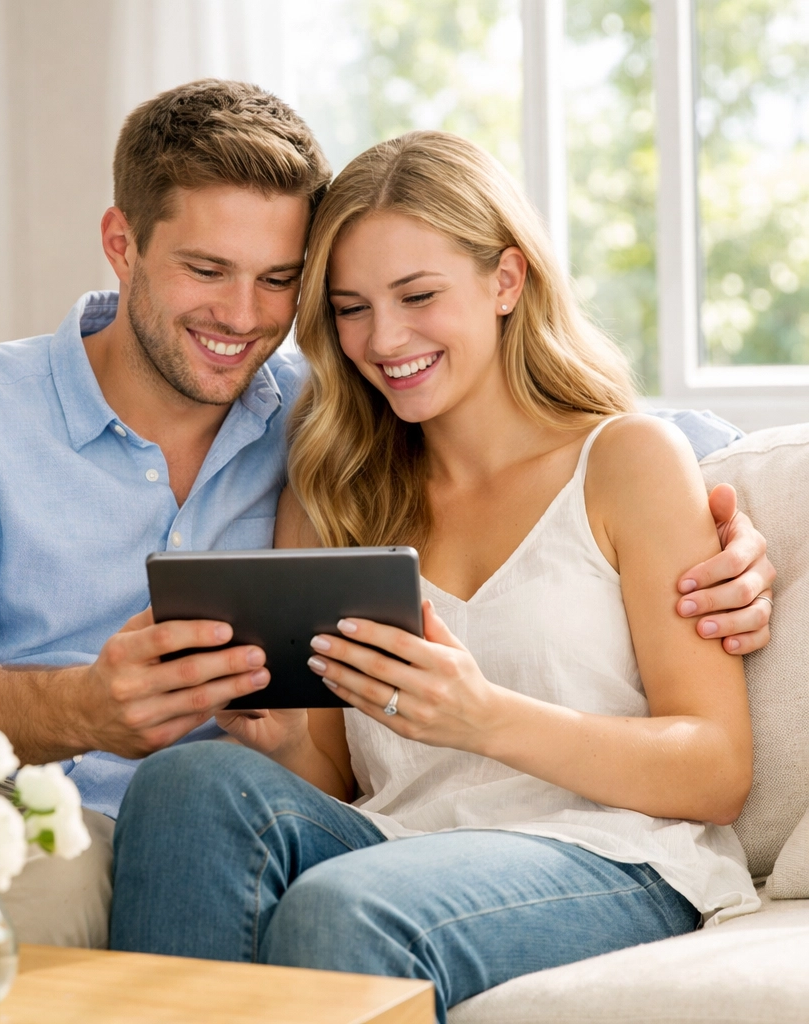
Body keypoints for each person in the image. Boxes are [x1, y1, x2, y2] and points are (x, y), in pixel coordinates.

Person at [0, 83, 772, 948]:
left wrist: (737, 518)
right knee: (192, 784)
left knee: (292, 886)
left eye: (278, 283)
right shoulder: (331, 458)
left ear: (505, 278)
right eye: (207, 271)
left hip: (573, 844)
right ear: (120, 246)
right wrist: (200, 724)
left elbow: (607, 436)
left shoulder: (356, 425)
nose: (245, 316)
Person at [107, 130, 766, 1019]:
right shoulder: (333, 489)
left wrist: (487, 719)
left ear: (506, 280)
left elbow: (717, 769)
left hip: (616, 854)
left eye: (418, 295)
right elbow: (337, 778)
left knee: (345, 909)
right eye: (350, 308)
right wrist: (276, 737)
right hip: (395, 838)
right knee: (186, 781)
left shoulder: (627, 461)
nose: (385, 339)